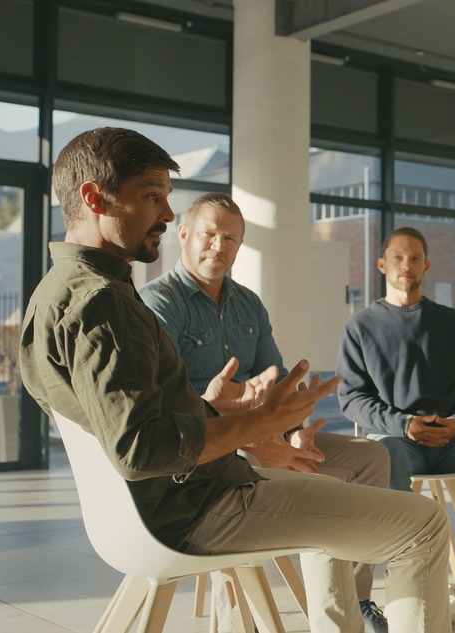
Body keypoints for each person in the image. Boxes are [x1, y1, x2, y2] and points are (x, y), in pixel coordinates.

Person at [21, 127, 452, 633]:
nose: (165, 213)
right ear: (95, 198)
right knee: (424, 524)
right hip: (196, 508)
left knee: (330, 487)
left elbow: (128, 417)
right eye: (152, 196)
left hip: (167, 505)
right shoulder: (104, 304)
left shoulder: (54, 295)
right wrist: (261, 423)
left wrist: (220, 410)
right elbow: (141, 448)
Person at [140, 192, 394, 632]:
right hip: (205, 451)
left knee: (372, 458)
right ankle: (239, 625)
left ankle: (357, 600)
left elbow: (276, 383)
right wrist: (249, 428)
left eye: (231, 239)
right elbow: (167, 404)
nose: (219, 247)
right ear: (183, 234)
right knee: (270, 481)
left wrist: (295, 431)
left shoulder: (248, 305)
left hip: (263, 436)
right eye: (209, 234)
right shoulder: (158, 304)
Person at [337, 227, 455, 621]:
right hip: (398, 441)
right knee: (386, 456)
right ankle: (401, 581)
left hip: (451, 440)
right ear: (381, 264)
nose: (406, 266)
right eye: (397, 258)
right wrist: (404, 424)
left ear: (426, 264)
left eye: (414, 258)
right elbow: (351, 399)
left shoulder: (450, 322)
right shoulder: (360, 326)